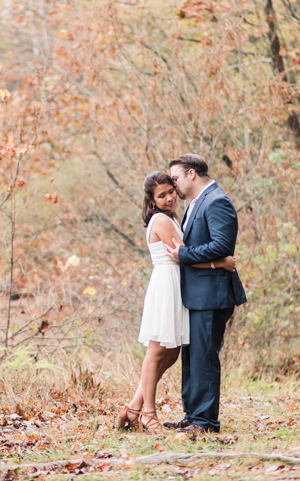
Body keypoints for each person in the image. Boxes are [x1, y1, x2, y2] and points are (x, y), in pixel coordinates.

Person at [116, 171, 236, 433]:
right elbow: (183, 255)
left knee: (171, 352)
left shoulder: (169, 218)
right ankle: (148, 413)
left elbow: (183, 255)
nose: (170, 197)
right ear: (152, 200)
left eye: (171, 191)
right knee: (157, 352)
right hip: (167, 286)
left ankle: (133, 408)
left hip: (176, 285)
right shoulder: (162, 221)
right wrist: (219, 262)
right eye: (162, 195)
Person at [162, 154, 247, 434]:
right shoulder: (197, 203)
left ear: (191, 174)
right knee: (193, 357)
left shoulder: (216, 201)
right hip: (196, 294)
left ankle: (206, 422)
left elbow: (222, 245)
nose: (173, 186)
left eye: (174, 179)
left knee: (205, 358)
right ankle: (192, 415)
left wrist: (183, 255)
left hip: (212, 294)